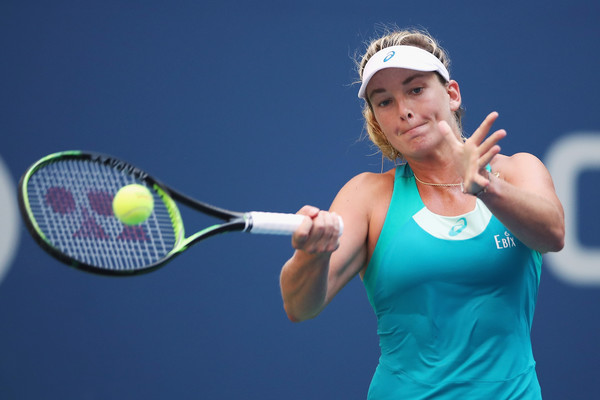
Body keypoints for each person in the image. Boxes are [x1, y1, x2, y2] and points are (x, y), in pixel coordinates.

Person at [279, 28, 565, 399]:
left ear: (452, 94)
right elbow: (300, 307)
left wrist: (488, 188)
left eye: (415, 90)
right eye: (384, 101)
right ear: (377, 119)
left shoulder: (517, 171)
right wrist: (311, 255)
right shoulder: (367, 196)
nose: (404, 110)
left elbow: (553, 234)